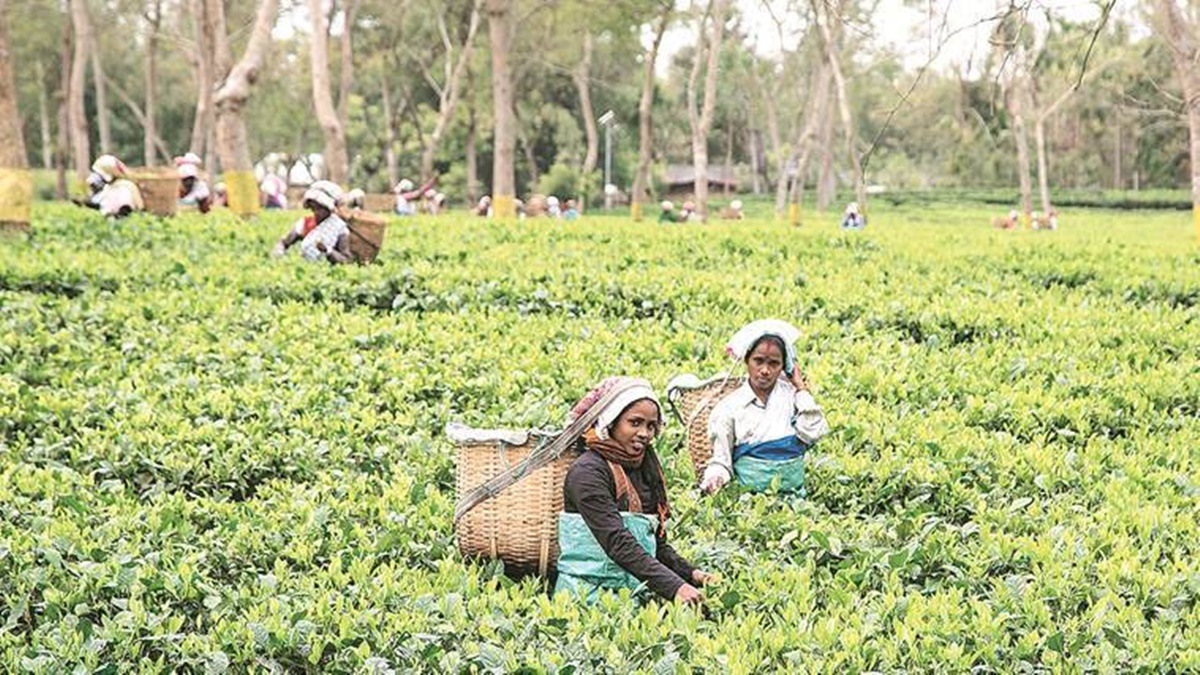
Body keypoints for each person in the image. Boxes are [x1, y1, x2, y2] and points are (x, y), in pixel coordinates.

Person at [556, 377, 715, 604]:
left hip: (633, 592)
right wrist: (674, 587)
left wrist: (691, 574)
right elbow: (617, 541)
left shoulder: (644, 468)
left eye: (651, 426)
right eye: (635, 422)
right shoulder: (587, 472)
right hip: (586, 596)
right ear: (612, 422)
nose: (644, 433)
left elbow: (655, 545)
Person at [700, 320, 830, 495]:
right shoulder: (730, 407)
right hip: (749, 501)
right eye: (758, 361)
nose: (765, 370)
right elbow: (721, 459)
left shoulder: (793, 397)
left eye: (774, 363)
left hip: (794, 497)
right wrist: (715, 478)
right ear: (747, 360)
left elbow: (813, 433)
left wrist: (800, 388)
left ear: (784, 366)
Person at [271, 180, 353, 264]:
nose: (317, 212)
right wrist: (278, 255)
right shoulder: (304, 224)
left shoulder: (339, 228)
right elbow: (283, 243)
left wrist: (328, 251)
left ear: (329, 209)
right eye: (314, 208)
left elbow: (346, 260)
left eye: (320, 208)